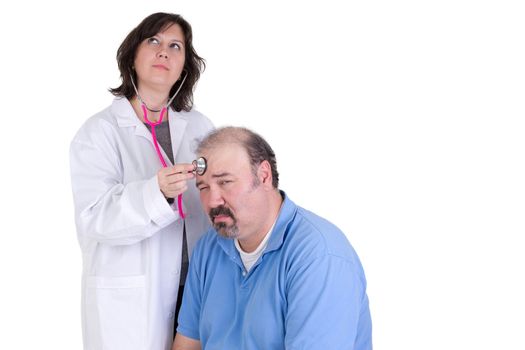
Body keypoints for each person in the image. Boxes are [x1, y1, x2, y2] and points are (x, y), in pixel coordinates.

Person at [70, 13, 213, 350]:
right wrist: (156, 192)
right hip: (133, 295)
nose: (164, 51)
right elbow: (94, 217)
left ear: (184, 67)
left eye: (175, 46)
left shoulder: (200, 126)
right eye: (154, 41)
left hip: (195, 287)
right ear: (132, 57)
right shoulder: (99, 132)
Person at [173, 127, 372, 350]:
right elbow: (188, 344)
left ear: (264, 175)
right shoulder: (208, 248)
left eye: (225, 182)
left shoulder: (319, 256)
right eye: (203, 187)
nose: (212, 201)